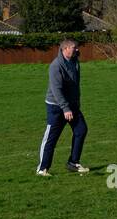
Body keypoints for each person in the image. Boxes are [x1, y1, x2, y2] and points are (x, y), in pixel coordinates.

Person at [37, 37, 89, 176]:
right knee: (51, 138)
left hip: (72, 105)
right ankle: (42, 169)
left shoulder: (74, 61)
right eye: (74, 47)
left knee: (81, 130)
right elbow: (56, 89)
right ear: (65, 49)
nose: (77, 49)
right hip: (56, 106)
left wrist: (75, 103)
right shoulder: (56, 66)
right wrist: (65, 108)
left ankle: (73, 162)